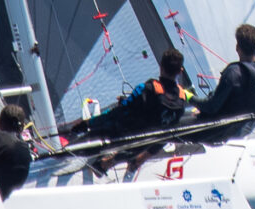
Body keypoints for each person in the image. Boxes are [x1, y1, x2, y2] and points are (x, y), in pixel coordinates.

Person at [64, 50, 198, 145]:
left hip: (126, 137)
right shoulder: (182, 97)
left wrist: (87, 123)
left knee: (96, 130)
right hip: (154, 142)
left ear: (160, 66)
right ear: (180, 71)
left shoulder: (146, 88)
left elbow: (116, 113)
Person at [190, 24, 255, 140]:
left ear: (237, 47)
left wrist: (188, 97)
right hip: (245, 132)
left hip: (221, 135)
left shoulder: (232, 73)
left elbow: (211, 106)